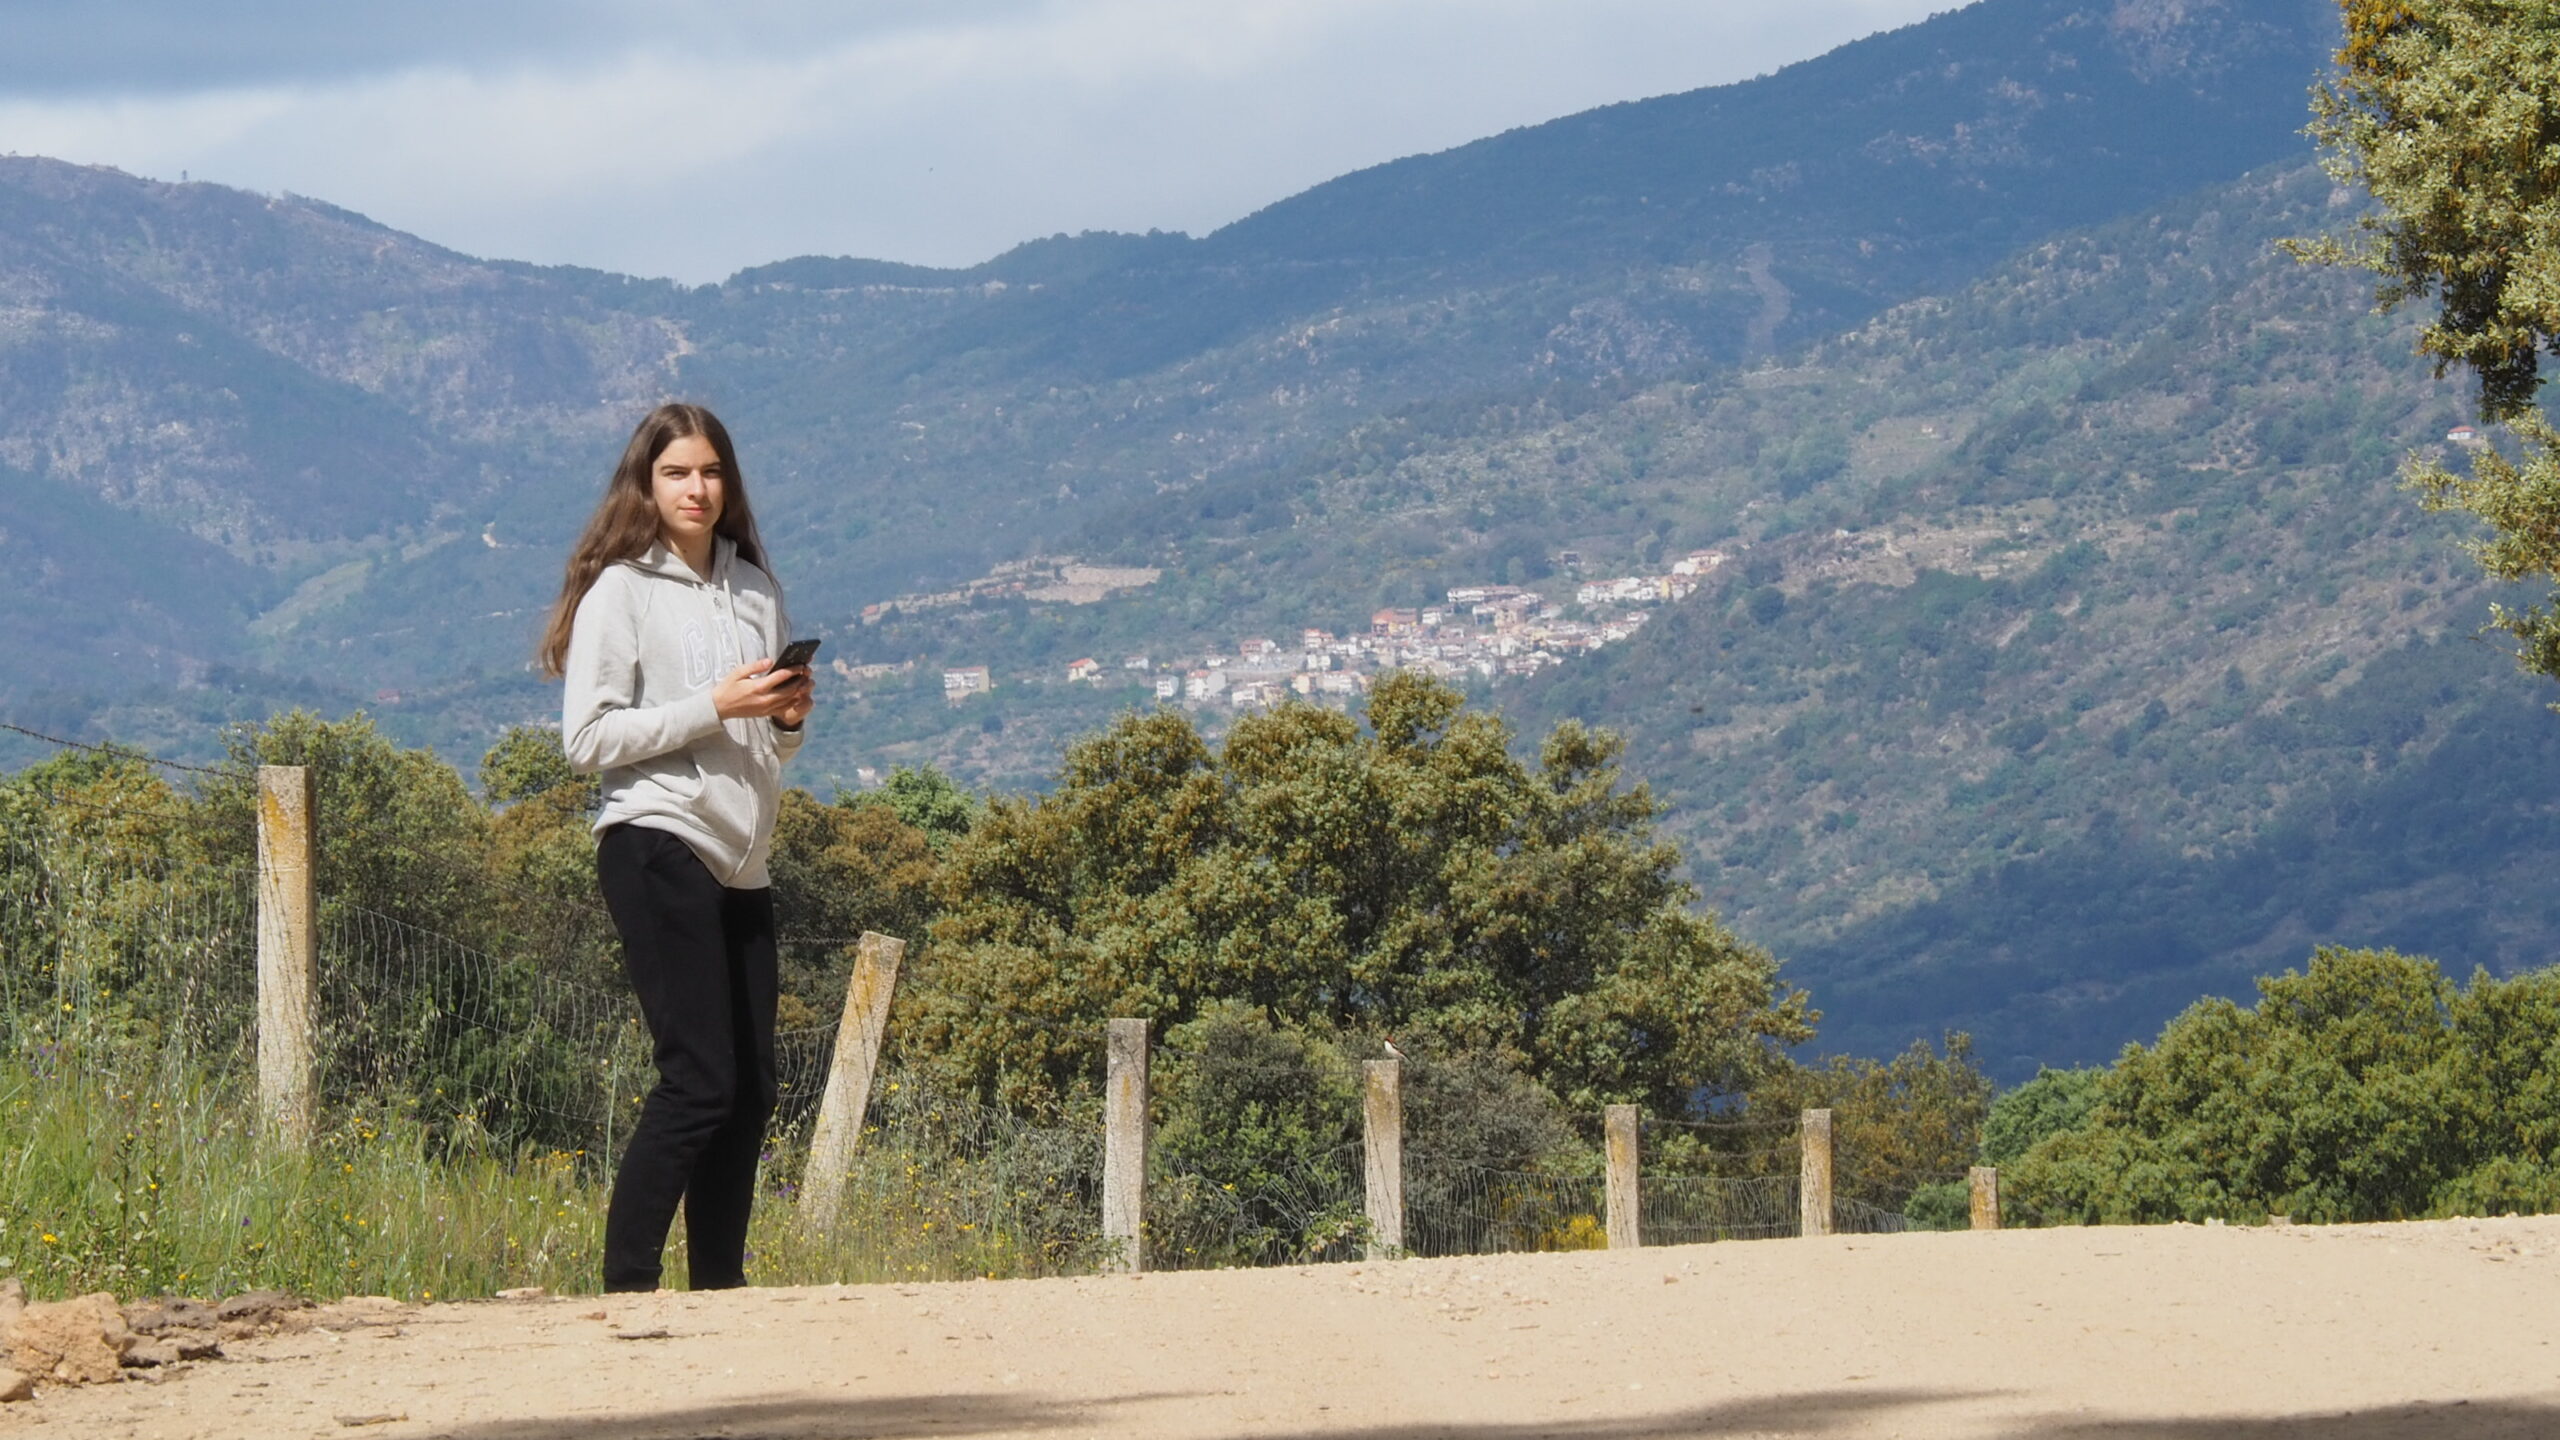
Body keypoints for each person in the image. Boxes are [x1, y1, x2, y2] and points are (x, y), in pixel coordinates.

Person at [539, 402, 814, 1292]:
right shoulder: (620, 589)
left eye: (710, 471)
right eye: (676, 473)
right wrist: (714, 708)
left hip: (745, 858)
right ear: (645, 485)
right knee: (698, 1080)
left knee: (753, 1090)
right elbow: (587, 740)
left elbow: (764, 743)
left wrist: (788, 719)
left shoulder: (756, 590)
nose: (697, 488)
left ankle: (719, 1293)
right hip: (656, 837)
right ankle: (626, 1288)